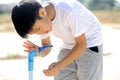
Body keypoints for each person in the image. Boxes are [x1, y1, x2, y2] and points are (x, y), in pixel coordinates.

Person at [11, 0, 103, 80]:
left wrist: (60, 65)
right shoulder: (42, 21)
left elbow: (81, 44)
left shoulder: (68, 11)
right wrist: (39, 51)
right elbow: (47, 48)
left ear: (42, 13)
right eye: (35, 33)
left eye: (38, 30)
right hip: (69, 42)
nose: (40, 34)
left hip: (89, 41)